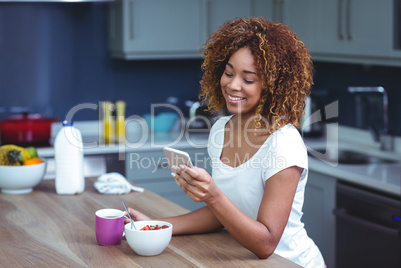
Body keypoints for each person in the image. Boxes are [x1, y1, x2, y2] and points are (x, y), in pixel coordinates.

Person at [124, 17, 325, 267]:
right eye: (229, 73)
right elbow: (222, 214)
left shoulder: (283, 143)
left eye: (248, 79)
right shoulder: (221, 129)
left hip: (290, 262)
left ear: (272, 86)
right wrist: (156, 226)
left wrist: (213, 195)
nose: (232, 85)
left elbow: (266, 243)